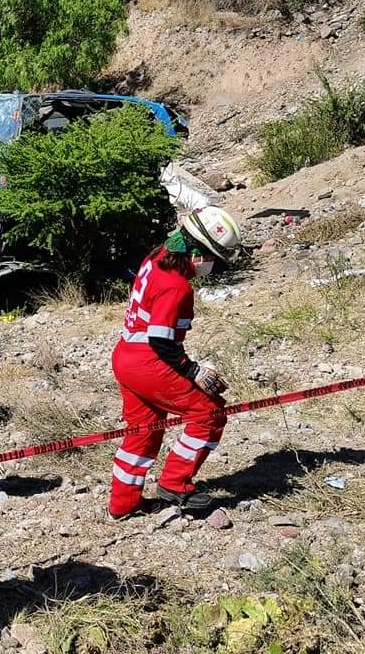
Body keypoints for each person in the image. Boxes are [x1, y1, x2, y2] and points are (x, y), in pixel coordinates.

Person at [108, 206, 243, 521]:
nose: (212, 266)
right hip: (148, 360)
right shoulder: (176, 286)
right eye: (212, 258)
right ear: (197, 253)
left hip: (126, 353)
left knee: (143, 431)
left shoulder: (156, 257)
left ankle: (123, 504)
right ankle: (175, 483)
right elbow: (162, 341)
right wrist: (194, 372)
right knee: (209, 414)